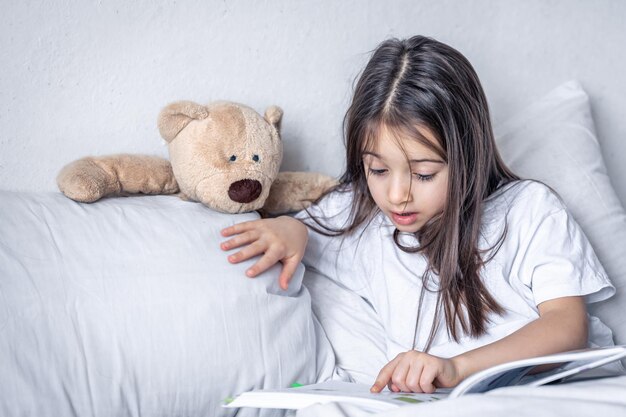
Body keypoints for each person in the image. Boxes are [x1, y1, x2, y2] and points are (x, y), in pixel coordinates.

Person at [219, 36, 615, 394]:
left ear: (466, 157)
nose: (396, 195)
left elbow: (567, 326)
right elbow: (306, 228)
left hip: (549, 392)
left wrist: (456, 367)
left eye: (424, 173)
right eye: (377, 170)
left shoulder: (529, 209)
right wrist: (290, 228)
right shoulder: (363, 216)